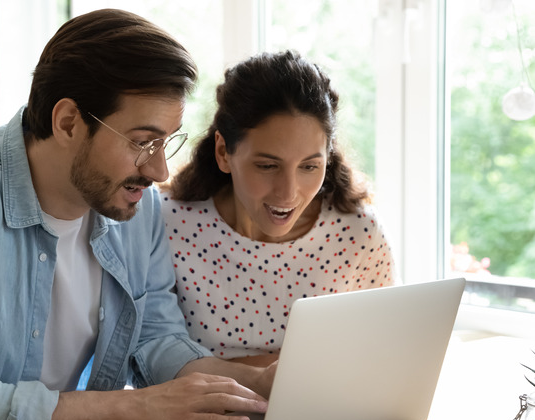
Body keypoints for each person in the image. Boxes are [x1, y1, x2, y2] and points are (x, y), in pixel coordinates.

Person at [0, 9, 276, 420]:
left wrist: (255, 385)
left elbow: (154, 339)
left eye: (166, 141)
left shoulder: (135, 206)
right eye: (144, 143)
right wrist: (136, 407)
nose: (160, 170)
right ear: (68, 122)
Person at [161, 51, 397, 366]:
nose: (289, 193)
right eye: (268, 165)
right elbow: (148, 357)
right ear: (223, 152)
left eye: (309, 167)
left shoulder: (358, 234)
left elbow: (385, 355)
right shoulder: (168, 225)